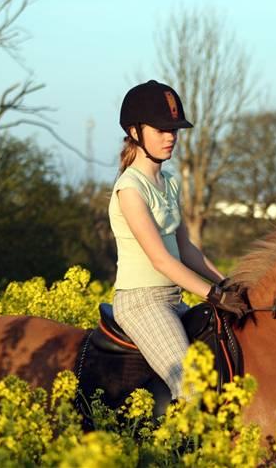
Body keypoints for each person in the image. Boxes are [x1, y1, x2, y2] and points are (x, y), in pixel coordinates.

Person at [109, 80, 248, 400]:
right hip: (141, 303)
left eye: (174, 130)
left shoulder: (169, 183)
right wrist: (213, 295)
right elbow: (161, 259)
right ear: (134, 132)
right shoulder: (131, 188)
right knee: (191, 386)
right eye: (161, 130)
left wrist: (225, 283)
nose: (170, 136)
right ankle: (177, 449)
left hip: (172, 302)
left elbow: (185, 249)